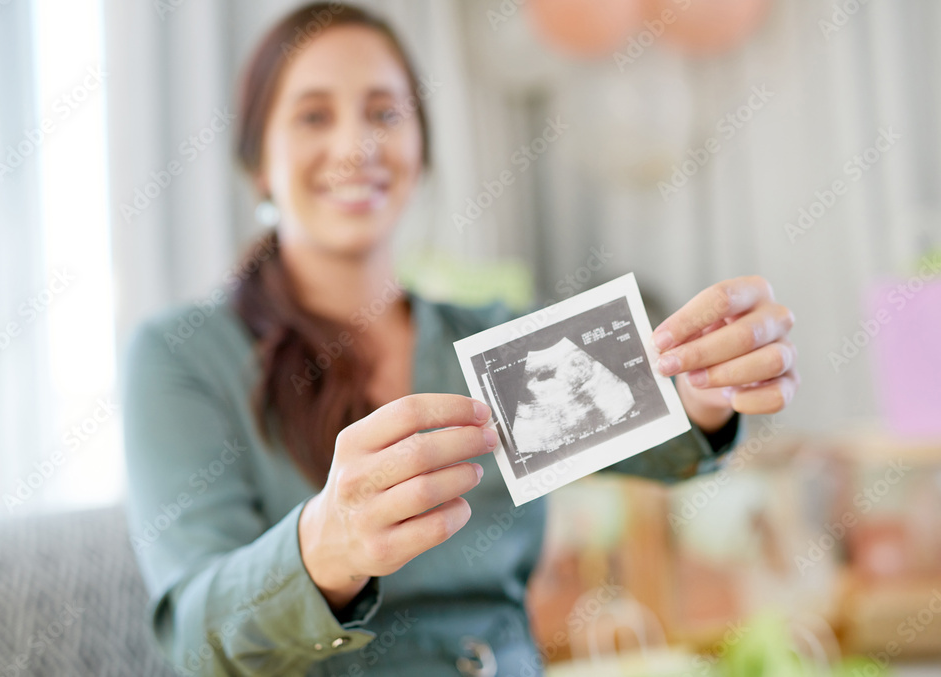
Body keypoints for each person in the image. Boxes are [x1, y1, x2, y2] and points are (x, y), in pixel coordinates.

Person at [121, 3, 799, 676]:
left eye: (386, 112)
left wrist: (709, 382)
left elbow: (666, 419)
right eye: (314, 115)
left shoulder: (493, 338)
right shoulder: (181, 356)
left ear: (421, 150)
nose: (357, 144)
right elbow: (196, 637)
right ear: (259, 162)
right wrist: (326, 546)